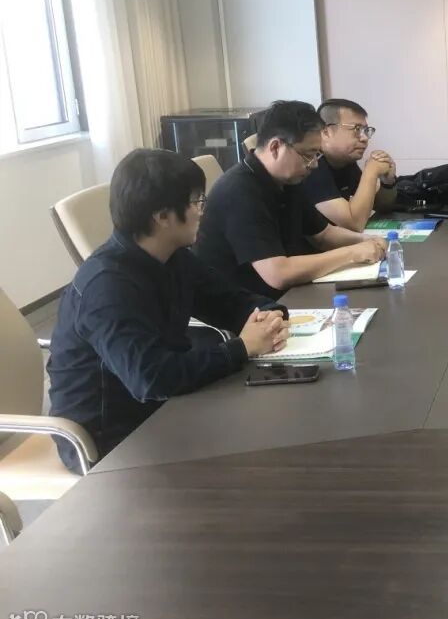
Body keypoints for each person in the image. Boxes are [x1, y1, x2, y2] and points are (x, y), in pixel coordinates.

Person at [47, 149, 290, 473]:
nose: (203, 211)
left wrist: (270, 314)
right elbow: (151, 379)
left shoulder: (172, 256)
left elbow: (227, 301)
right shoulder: (107, 287)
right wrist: (242, 347)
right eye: (196, 202)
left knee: (270, 427)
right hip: (111, 440)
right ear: (162, 216)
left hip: (161, 408)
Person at [195, 100, 386, 299]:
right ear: (275, 147)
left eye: (317, 155)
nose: (314, 165)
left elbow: (323, 235)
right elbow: (278, 273)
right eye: (308, 155)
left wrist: (366, 241)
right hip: (245, 306)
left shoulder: (287, 180)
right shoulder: (239, 192)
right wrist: (352, 253)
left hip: (285, 296)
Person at [302, 98, 398, 231]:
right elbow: (354, 224)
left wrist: (387, 182)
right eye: (356, 129)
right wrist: (371, 172)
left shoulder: (345, 161)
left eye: (366, 130)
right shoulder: (312, 165)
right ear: (325, 132)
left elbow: (380, 207)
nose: (364, 138)